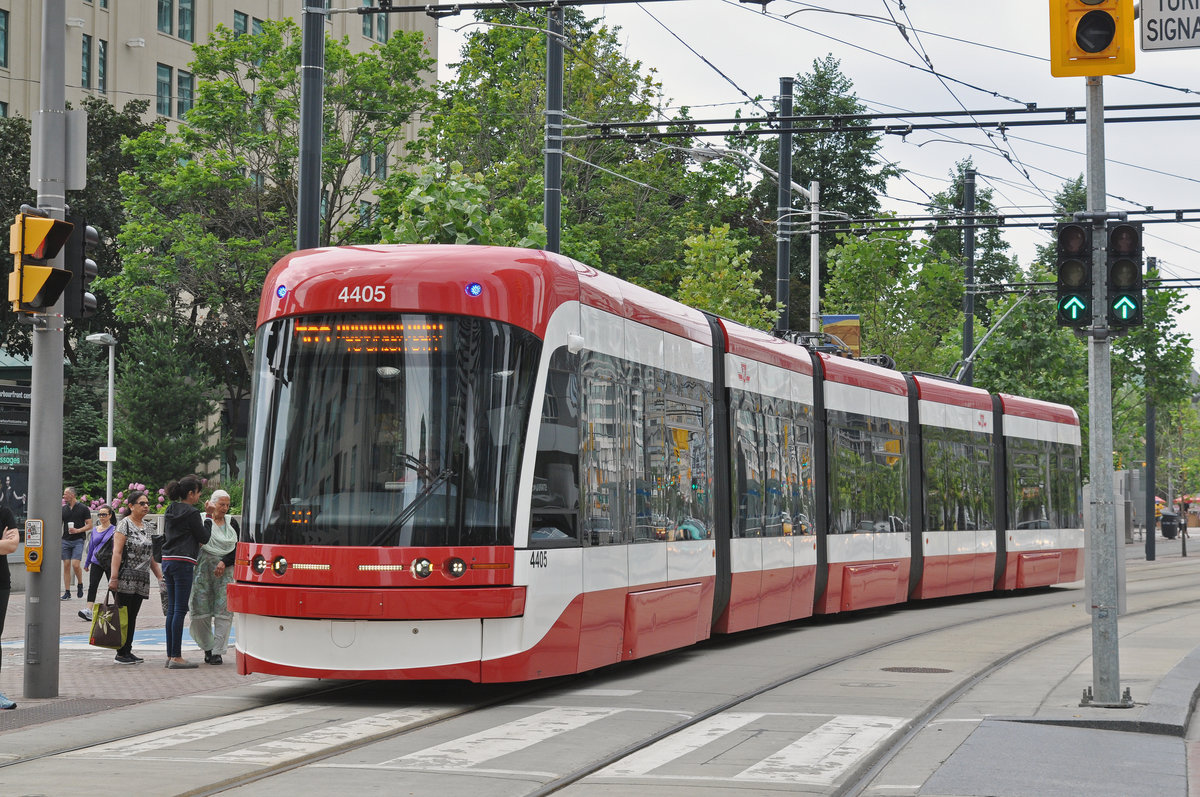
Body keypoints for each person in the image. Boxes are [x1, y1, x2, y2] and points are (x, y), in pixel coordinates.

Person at [108, 490, 163, 665]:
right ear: (131, 506)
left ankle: (128, 650)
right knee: (122, 615)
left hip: (141, 578)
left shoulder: (148, 527)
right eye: (142, 503)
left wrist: (160, 577)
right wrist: (114, 577)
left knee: (132, 616)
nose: (146, 506)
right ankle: (121, 652)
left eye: (147, 503)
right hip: (125, 576)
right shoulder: (124, 524)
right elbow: (116, 552)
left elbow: (151, 556)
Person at [161, 475, 210, 669]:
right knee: (180, 609)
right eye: (198, 493)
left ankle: (170, 655)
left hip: (167, 560)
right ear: (191, 493)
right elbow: (204, 537)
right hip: (183, 562)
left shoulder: (170, 509)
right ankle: (176, 657)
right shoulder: (192, 512)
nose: (198, 496)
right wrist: (208, 518)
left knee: (172, 609)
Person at [189, 489, 238, 665]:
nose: (224, 508)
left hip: (225, 572)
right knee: (200, 611)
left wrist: (224, 561)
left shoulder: (231, 522)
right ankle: (207, 648)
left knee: (223, 612)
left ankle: (217, 651)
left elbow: (237, 547)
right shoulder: (202, 519)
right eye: (221, 504)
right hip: (201, 573)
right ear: (212, 503)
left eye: (227, 505)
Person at [79, 505, 116, 622]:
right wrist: (87, 562)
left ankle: (119, 608)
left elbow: (117, 548)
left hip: (110, 562)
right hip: (96, 561)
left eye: (104, 514)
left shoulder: (115, 530)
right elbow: (91, 547)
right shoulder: (95, 530)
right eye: (100, 514)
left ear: (110, 515)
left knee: (113, 586)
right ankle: (88, 610)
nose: (102, 517)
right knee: (92, 585)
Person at [0, 504, 19, 707]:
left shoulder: (4, 512)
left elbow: (12, 546)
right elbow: (5, 545)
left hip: (1, 583)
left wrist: (6, 543)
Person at [61, 487, 93, 600]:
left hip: (78, 540)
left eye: (66, 494)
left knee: (75, 564)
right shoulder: (63, 509)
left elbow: (90, 525)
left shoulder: (83, 508)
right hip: (65, 540)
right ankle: (67, 592)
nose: (64, 496)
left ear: (72, 495)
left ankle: (80, 584)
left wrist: (77, 530)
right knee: (66, 565)